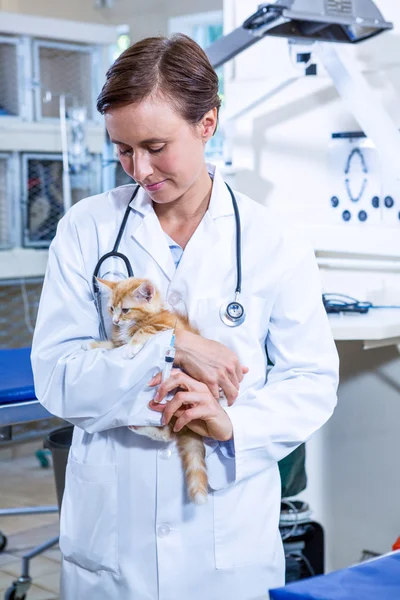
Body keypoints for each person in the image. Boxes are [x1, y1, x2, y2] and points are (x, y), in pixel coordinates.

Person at [31, 34, 339, 600]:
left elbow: (313, 380)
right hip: (112, 532)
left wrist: (234, 426)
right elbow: (56, 375)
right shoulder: (87, 228)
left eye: (155, 145)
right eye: (122, 150)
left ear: (207, 123)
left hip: (224, 536)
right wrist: (170, 347)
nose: (139, 169)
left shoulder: (274, 241)